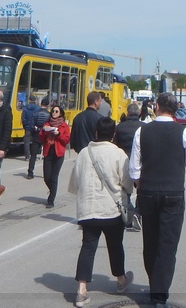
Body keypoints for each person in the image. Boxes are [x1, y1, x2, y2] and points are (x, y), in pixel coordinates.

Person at [130, 93, 186, 308]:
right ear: (175, 109)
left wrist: (141, 186)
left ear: (157, 107)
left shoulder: (142, 131)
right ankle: (159, 295)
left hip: (148, 191)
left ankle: (155, 283)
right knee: (167, 244)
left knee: (150, 242)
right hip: (173, 193)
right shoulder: (184, 132)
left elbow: (134, 169)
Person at [68, 116, 135, 308]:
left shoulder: (84, 153)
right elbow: (127, 183)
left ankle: (81, 290)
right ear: (113, 134)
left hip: (88, 209)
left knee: (88, 247)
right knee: (115, 245)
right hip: (111, 209)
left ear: (96, 132)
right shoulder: (119, 154)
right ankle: (121, 280)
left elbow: (75, 183)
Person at [40, 104, 70, 208]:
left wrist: (58, 134)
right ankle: (53, 190)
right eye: (53, 111)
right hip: (48, 152)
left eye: (56, 111)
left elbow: (66, 140)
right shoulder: (47, 123)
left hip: (58, 154)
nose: (54, 113)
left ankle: (51, 200)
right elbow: (41, 138)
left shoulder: (64, 126)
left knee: (54, 177)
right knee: (47, 177)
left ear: (60, 113)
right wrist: (44, 131)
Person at [21, 94, 41, 180]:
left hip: (28, 128)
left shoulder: (25, 109)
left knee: (27, 141)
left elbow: (23, 119)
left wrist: (25, 126)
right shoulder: (38, 108)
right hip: (35, 128)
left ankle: (27, 156)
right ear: (35, 100)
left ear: (29, 100)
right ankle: (35, 154)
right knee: (36, 142)